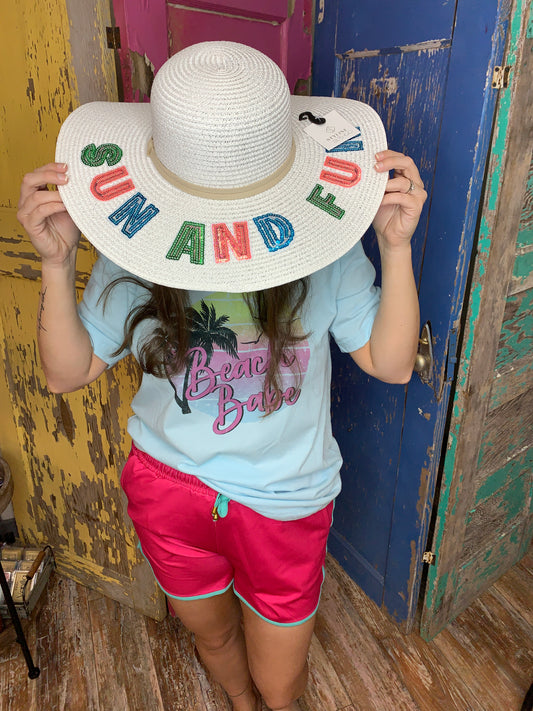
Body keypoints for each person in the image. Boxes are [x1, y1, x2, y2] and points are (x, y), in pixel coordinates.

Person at [17, 42, 426, 711]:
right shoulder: (132, 254)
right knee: (214, 644)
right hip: (166, 491)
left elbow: (389, 361)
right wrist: (57, 265)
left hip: (284, 501)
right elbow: (67, 374)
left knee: (280, 683)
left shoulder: (322, 253)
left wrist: (395, 245)